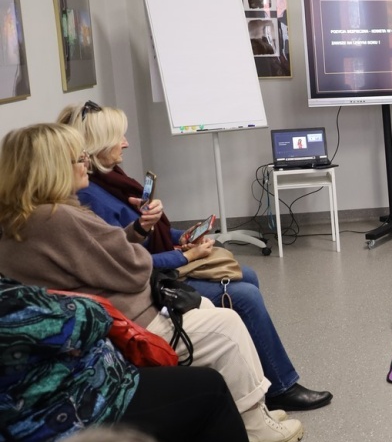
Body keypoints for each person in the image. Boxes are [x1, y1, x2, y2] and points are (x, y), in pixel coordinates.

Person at [0, 123, 303, 442]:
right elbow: (133, 272)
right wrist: (149, 248)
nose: (85, 163)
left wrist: (135, 232)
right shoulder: (60, 218)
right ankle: (254, 427)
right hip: (126, 327)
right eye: (79, 157)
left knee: (205, 306)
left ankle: (249, 412)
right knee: (228, 325)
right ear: (53, 167)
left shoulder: (23, 215)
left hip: (96, 325)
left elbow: (98, 257)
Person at [58, 101, 331, 413]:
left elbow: (137, 236)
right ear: (96, 146)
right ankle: (281, 388)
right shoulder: (90, 197)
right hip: (147, 287)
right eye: (118, 136)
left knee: (248, 276)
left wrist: (178, 238)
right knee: (244, 296)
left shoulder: (111, 180)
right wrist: (186, 257)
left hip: (155, 270)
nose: (126, 142)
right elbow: (131, 264)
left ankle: (256, 371)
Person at [0, 279, 300, 442]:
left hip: (77, 384)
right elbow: (117, 285)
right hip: (65, 410)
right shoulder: (59, 220)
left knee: (231, 292)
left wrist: (151, 233)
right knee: (207, 386)